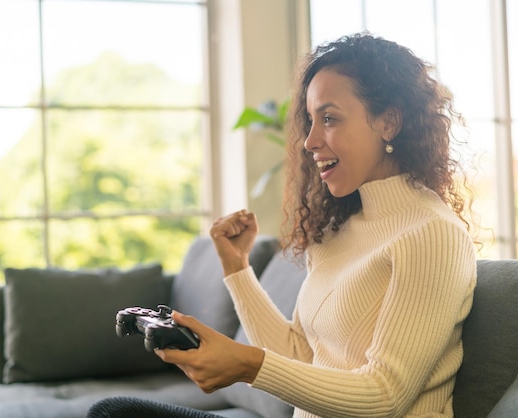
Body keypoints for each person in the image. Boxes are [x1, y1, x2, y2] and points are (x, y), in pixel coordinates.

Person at [108, 32, 478, 418]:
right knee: (116, 412)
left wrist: (249, 364)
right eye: (310, 120)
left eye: (329, 119)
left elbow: (386, 396)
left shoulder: (433, 235)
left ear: (389, 122)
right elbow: (299, 355)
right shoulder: (338, 232)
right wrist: (237, 267)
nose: (310, 140)